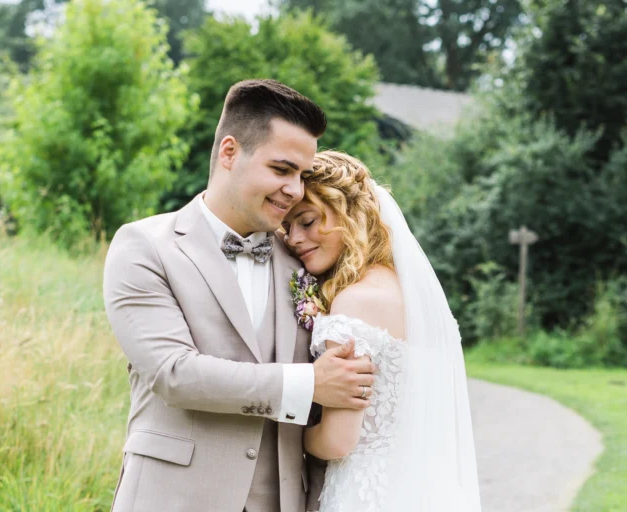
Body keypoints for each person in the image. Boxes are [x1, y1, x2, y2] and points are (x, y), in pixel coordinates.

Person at [103, 81, 376, 512]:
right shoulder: (145, 246)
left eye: (302, 176)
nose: (295, 190)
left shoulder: (302, 260)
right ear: (230, 153)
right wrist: (310, 384)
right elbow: (173, 373)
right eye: (282, 169)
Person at [282, 151, 482, 512]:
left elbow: (339, 441)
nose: (294, 238)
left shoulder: (355, 302)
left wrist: (287, 438)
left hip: (366, 495)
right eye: (288, 227)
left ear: (350, 215)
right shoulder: (411, 296)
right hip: (426, 490)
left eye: (307, 221)